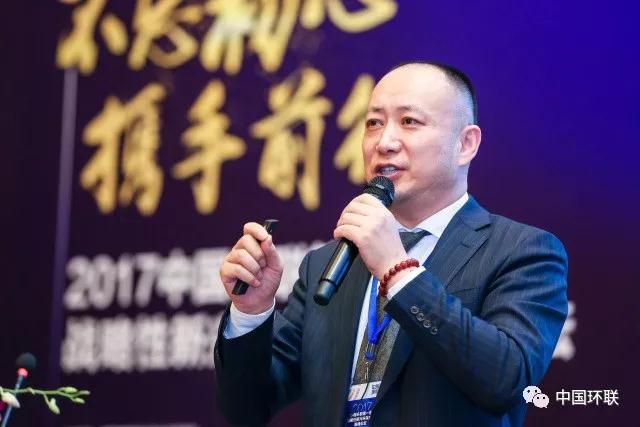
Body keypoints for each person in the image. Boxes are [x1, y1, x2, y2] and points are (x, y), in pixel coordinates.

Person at [214, 62, 568, 427]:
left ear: (465, 144)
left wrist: (398, 273)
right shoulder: (327, 265)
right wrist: (251, 312)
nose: (384, 142)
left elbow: (505, 380)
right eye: (373, 123)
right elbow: (247, 409)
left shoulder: (522, 252)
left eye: (409, 121)